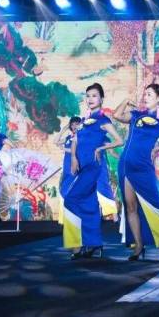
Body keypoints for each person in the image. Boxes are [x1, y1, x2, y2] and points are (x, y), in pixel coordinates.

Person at [114, 83, 159, 261]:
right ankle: (138, 246)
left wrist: (158, 149)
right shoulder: (136, 115)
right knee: (131, 207)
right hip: (126, 165)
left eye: (149, 94)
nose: (145, 97)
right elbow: (116, 115)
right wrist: (126, 101)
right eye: (145, 94)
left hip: (143, 167)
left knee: (157, 205)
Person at [63, 83, 123, 259]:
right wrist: (73, 158)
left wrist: (100, 149)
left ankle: (76, 245)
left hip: (93, 167)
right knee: (88, 203)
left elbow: (119, 140)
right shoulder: (83, 121)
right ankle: (94, 243)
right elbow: (75, 141)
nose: (90, 99)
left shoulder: (103, 120)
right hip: (81, 167)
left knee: (71, 199)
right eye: (88, 96)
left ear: (101, 99)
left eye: (94, 96)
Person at [56, 116, 82, 225]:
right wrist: (63, 129)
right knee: (64, 191)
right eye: (72, 124)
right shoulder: (68, 137)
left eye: (77, 124)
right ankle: (64, 219)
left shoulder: (81, 137)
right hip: (66, 168)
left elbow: (76, 151)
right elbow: (56, 141)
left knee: (73, 191)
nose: (74, 126)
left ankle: (76, 219)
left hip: (74, 168)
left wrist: (64, 149)